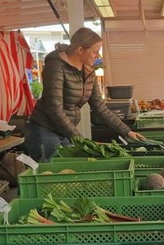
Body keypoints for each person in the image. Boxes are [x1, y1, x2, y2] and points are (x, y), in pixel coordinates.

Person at [24, 27, 146, 162]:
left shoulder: (88, 72)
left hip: (64, 131)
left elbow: (101, 108)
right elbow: (55, 109)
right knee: (52, 172)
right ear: (80, 49)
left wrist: (127, 131)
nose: (97, 56)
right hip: (44, 129)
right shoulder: (56, 66)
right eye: (95, 51)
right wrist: (80, 140)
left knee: (67, 169)